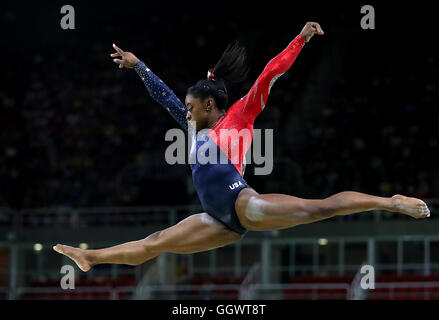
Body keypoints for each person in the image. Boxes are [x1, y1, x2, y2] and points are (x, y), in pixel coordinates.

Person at [53, 22, 430, 272]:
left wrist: (300, 39)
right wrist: (139, 67)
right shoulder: (194, 128)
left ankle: (389, 201)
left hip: (240, 204)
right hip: (216, 221)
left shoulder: (239, 117)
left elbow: (269, 73)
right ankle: (90, 257)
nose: (184, 110)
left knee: (320, 208)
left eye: (190, 106)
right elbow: (164, 97)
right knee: (154, 243)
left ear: (209, 106)